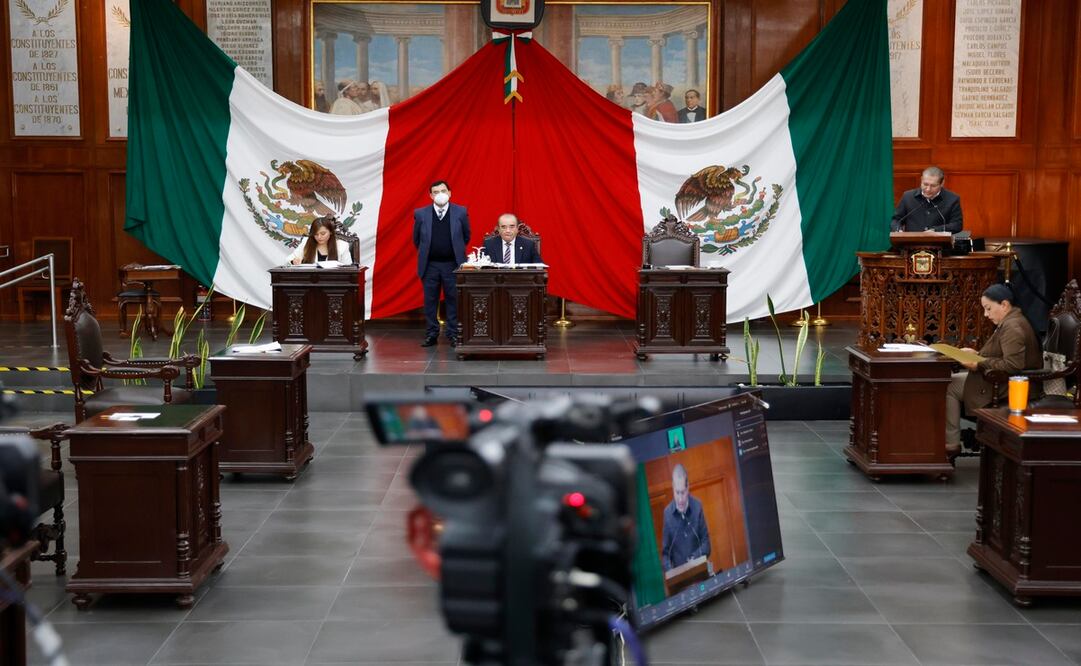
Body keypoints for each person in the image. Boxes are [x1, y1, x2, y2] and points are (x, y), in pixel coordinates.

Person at [945, 284, 1041, 457]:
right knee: (951, 381)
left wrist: (979, 363)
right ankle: (950, 442)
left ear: (1004, 305)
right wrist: (977, 355)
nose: (986, 314)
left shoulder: (1013, 327)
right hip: (996, 379)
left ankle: (951, 444)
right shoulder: (1012, 321)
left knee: (948, 385)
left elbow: (1012, 365)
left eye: (988, 308)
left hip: (1005, 385)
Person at [413, 180, 470, 347]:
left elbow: (466, 236)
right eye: (436, 192)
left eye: (443, 190)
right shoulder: (421, 214)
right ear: (430, 195)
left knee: (453, 300)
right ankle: (432, 334)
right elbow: (417, 239)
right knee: (430, 301)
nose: (440, 194)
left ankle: (453, 334)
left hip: (453, 264)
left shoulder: (460, 212)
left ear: (450, 193)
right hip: (430, 265)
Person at [660, 464, 711, 571]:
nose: (680, 499)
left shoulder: (697, 506)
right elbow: (665, 554)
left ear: (688, 488)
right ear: (673, 488)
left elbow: (706, 544)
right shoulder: (667, 513)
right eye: (677, 492)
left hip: (700, 571)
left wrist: (693, 559)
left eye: (683, 492)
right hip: (680, 580)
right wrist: (672, 572)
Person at [891, 166, 963, 232]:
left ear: (942, 183)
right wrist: (898, 230)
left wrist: (936, 230)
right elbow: (896, 220)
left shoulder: (952, 199)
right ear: (921, 179)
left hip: (940, 244)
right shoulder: (908, 196)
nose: (928, 189)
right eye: (925, 184)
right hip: (911, 244)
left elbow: (957, 225)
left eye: (933, 186)